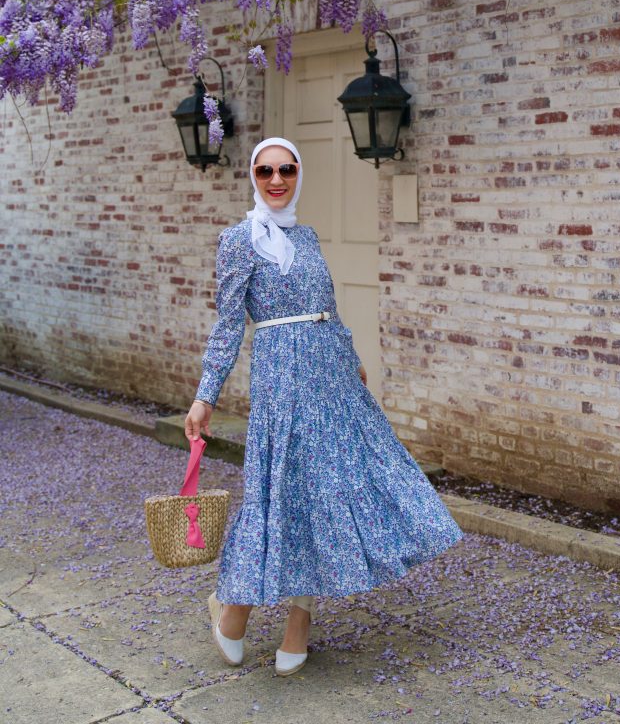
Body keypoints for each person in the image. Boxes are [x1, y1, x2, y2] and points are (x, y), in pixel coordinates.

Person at [185, 137, 463, 677]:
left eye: (286, 170)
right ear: (253, 175)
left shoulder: (307, 237)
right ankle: (232, 606)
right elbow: (226, 328)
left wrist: (353, 356)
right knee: (277, 497)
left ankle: (299, 623)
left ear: (298, 174)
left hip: (330, 379)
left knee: (327, 496)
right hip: (281, 385)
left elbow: (326, 308)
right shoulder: (238, 241)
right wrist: (205, 395)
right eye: (265, 171)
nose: (276, 180)